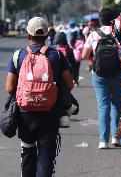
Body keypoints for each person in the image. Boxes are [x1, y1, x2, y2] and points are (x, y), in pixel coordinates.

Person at [5, 17, 74, 176]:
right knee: (46, 155)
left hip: (25, 113)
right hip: (50, 112)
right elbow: (69, 84)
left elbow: (9, 87)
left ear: (28, 35)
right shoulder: (56, 55)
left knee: (27, 150)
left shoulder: (18, 56)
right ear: (48, 34)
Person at [82, 8, 121, 149]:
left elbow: (83, 55)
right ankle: (116, 138)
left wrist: (95, 60)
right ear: (114, 19)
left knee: (103, 106)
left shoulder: (93, 34)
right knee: (117, 104)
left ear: (100, 19)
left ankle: (103, 141)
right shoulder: (119, 33)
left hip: (99, 74)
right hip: (117, 73)